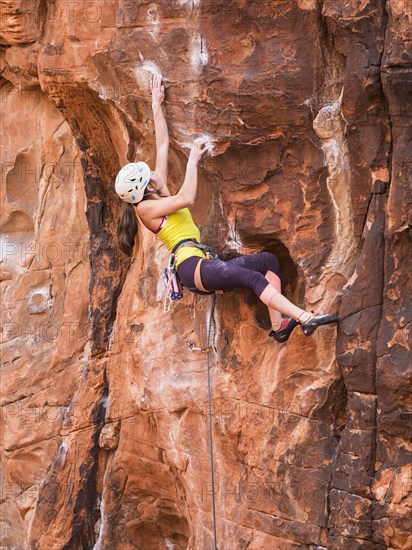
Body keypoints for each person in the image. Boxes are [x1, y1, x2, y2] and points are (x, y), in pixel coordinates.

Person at [115, 75, 339, 343]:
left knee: (268, 262)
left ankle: (280, 327)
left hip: (200, 262)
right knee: (253, 279)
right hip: (191, 266)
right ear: (144, 188)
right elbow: (187, 198)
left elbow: (162, 145)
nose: (153, 171)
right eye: (148, 175)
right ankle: (305, 318)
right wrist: (192, 162)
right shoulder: (145, 210)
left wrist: (156, 105)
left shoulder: (156, 191)